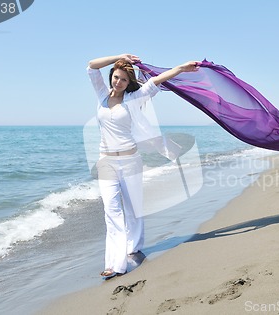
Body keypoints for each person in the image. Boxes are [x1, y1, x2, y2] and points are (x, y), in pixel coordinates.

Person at [87, 53, 199, 279]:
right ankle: (116, 264)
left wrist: (181, 67)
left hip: (129, 161)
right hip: (106, 161)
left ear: (129, 83)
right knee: (112, 212)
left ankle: (134, 245)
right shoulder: (101, 94)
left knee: (133, 208)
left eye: (123, 80)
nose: (118, 82)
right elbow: (91, 65)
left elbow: (157, 80)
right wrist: (119, 56)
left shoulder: (134, 98)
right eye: (116, 77)